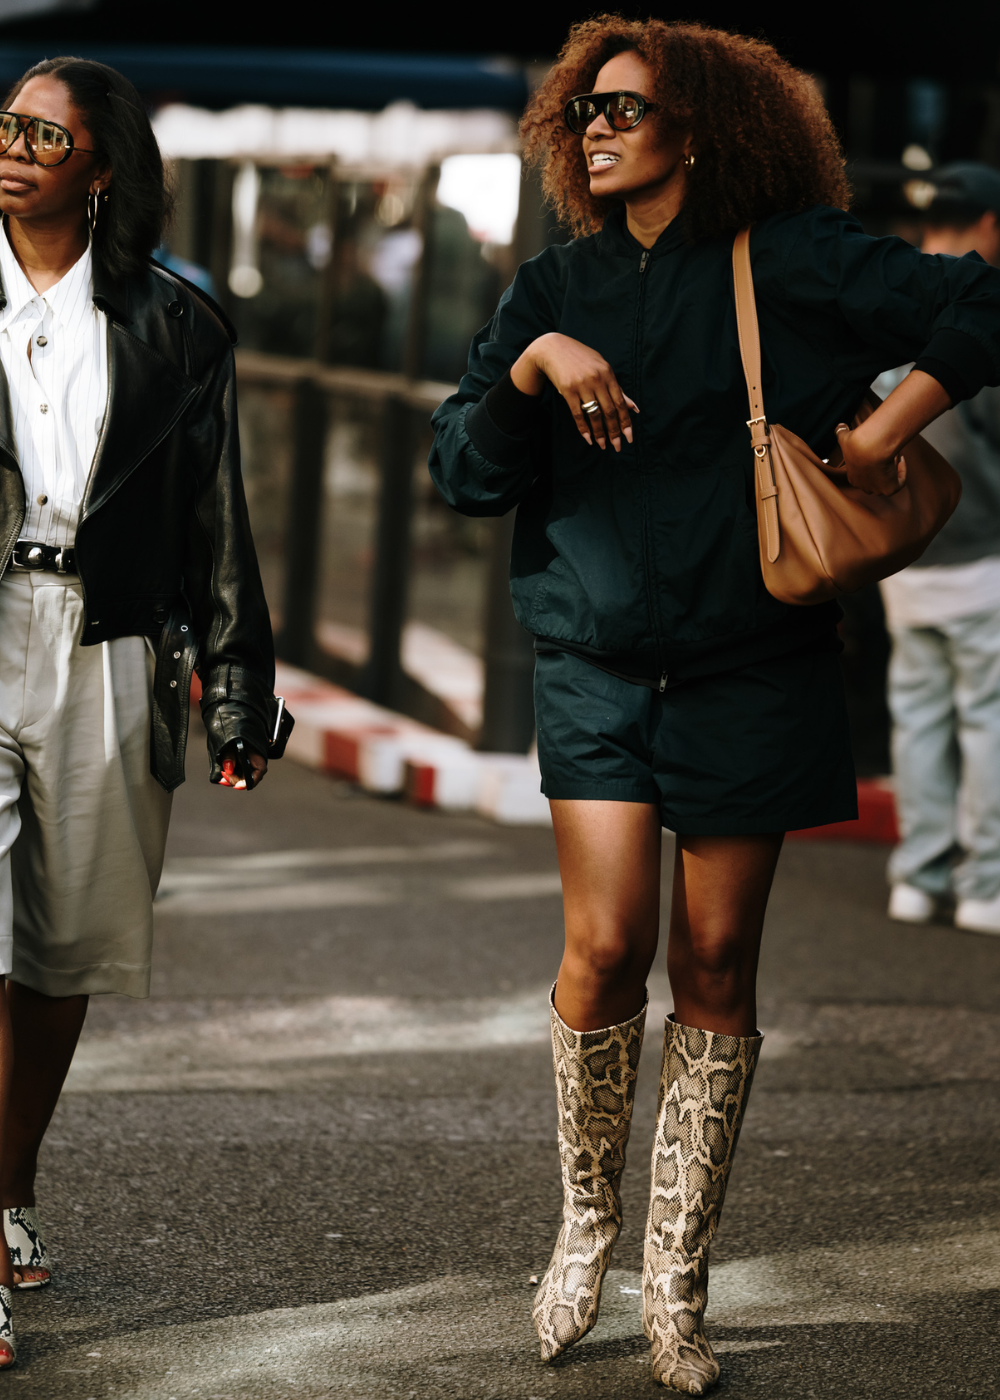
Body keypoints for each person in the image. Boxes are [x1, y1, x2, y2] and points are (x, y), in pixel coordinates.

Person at [429, 16, 1000, 1395]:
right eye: (583, 115)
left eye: (626, 109)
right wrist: (531, 366)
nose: (598, 129)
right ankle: (585, 1227)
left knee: (718, 967)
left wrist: (881, 427)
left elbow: (980, 305)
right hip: (596, 663)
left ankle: (677, 1277)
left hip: (754, 667)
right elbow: (462, 472)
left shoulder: (796, 262)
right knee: (605, 946)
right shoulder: (552, 284)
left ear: (704, 128)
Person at [0, 55, 278, 1358]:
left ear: (100, 170)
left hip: (106, 647)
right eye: (4, 127)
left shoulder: (178, 326)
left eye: (42, 137)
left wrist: (237, 688)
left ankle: (7, 1190)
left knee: (60, 953)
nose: (11, 149)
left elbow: (220, 520)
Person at [879, 164, 1000, 935]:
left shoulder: (890, 291)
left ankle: (916, 879)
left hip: (902, 548)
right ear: (990, 224)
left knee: (917, 711)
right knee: (986, 715)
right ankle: (986, 885)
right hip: (984, 546)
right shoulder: (984, 304)